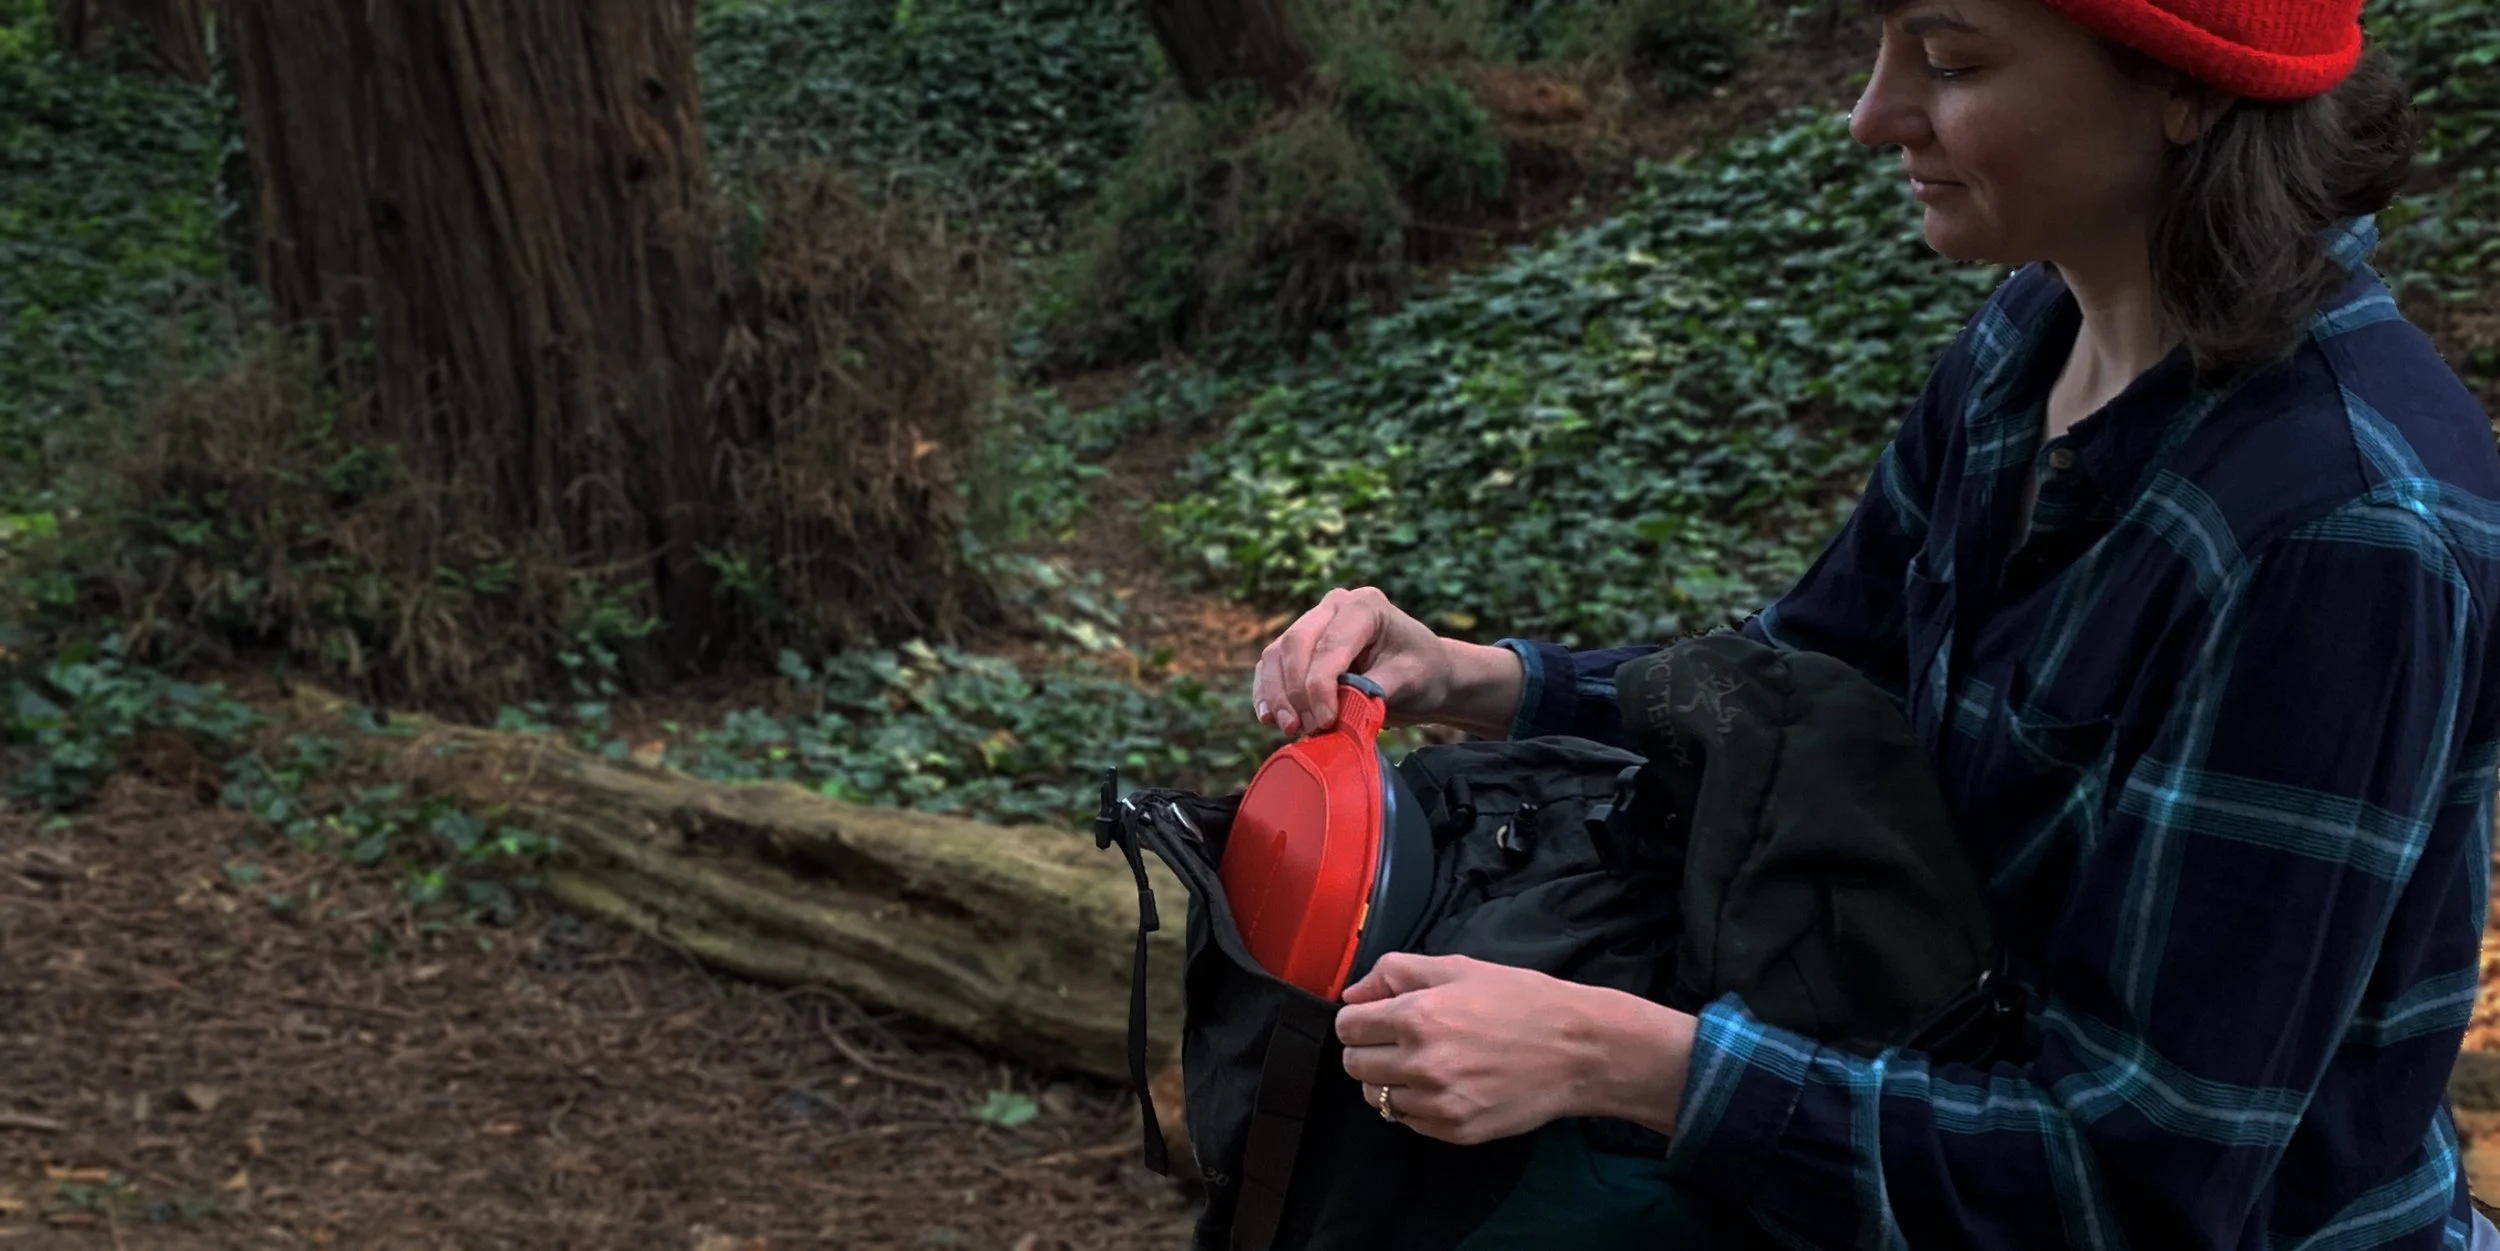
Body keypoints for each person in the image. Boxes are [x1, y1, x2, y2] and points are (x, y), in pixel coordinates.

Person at [1247, 0, 2500, 1245]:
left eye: (1949, 62)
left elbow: (2142, 1179)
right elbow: (1809, 680)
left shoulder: (2342, 536)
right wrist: (1480, 679)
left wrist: (1629, 1063)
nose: (1870, 117)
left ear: (2188, 90)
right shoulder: (2030, 339)